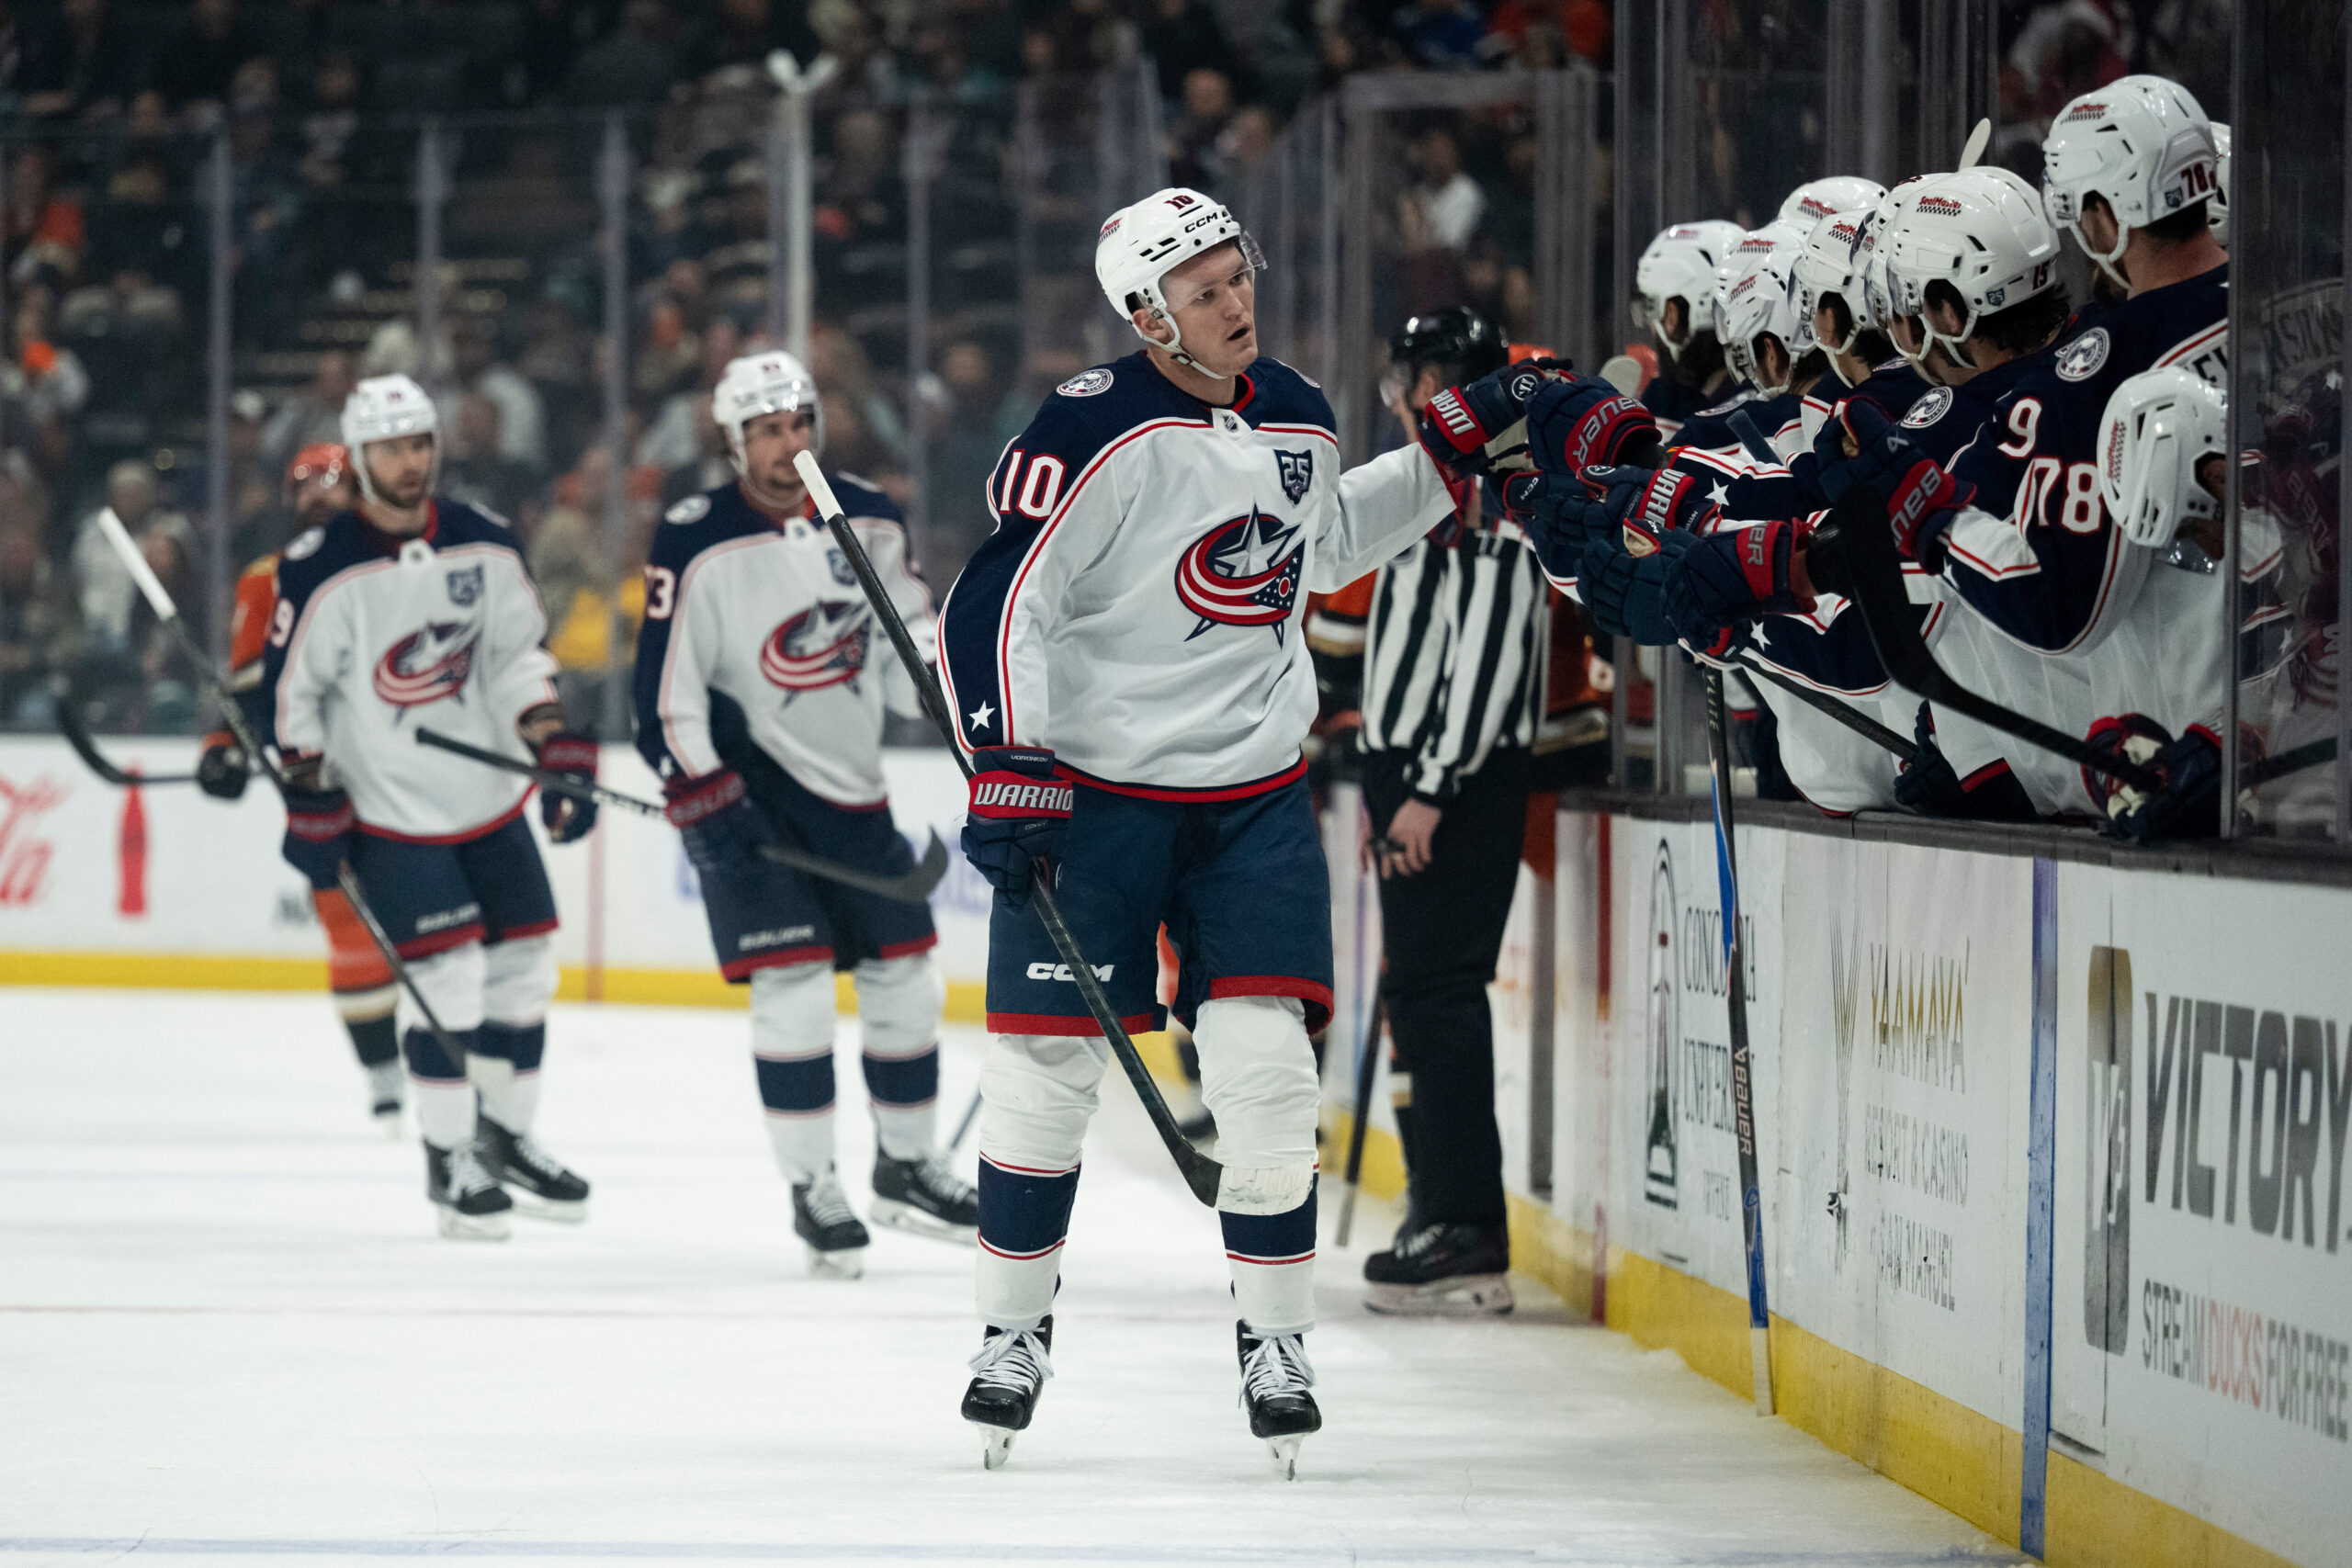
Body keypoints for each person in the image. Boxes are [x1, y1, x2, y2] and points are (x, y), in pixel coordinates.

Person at [936, 186, 1458, 1473]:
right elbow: (999, 597)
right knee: (1043, 1086)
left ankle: (1276, 1339)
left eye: (1241, 275)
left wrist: (1455, 459)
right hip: (1100, 801)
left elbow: (1323, 546)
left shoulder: (1294, 406)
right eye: (1207, 288)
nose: (1238, 302)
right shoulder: (1092, 429)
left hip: (1251, 796)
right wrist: (1009, 756)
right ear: (1144, 311)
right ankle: (1012, 1331)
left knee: (1267, 1074)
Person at [631, 350, 977, 1278]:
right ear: (733, 440)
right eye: (767, 431)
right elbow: (663, 691)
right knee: (792, 994)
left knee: (906, 979)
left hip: (853, 797)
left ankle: (906, 1167)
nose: (789, 447)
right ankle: (813, 1185)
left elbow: (910, 644)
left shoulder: (866, 513)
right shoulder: (694, 536)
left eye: (799, 425)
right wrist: (702, 792)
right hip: (748, 803)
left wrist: (968, 688)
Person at [261, 374, 597, 1241]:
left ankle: (507, 1134)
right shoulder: (321, 565)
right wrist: (310, 793)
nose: (409, 463)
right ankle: (448, 1157)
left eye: (418, 445)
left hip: (487, 799)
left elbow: (521, 655)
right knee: (445, 978)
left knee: (526, 965)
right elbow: (291, 698)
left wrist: (550, 738)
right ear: (360, 456)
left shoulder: (484, 539)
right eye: (389, 449)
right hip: (389, 811)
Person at [1356, 306, 1549, 1316]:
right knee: (1422, 999)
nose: (1405, 398)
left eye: (1421, 379)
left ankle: (1466, 1226)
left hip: (1457, 784)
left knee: (1438, 997)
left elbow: (1486, 651)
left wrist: (1428, 786)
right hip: (1412, 776)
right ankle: (1441, 1208)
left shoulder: (1491, 493)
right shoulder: (1425, 489)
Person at [197, 444, 413, 1132]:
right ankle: (382, 1072)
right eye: (306, 490)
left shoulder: (405, 563)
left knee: (441, 914)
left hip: (410, 765)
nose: (320, 500)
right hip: (318, 774)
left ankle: (452, 1066)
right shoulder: (268, 578)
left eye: (334, 487)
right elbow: (244, 677)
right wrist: (222, 746)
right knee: (348, 919)